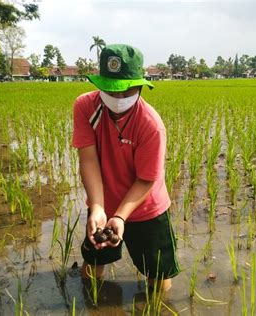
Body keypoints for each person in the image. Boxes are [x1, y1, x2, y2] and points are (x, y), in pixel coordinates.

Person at [72, 44, 180, 291]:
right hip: (103, 199)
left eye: (126, 91)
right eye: (111, 90)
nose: (118, 98)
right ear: (100, 85)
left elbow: (146, 179)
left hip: (145, 206)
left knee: (158, 276)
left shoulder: (150, 125)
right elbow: (88, 159)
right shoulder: (85, 107)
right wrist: (98, 208)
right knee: (93, 264)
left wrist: (120, 216)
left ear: (140, 86)